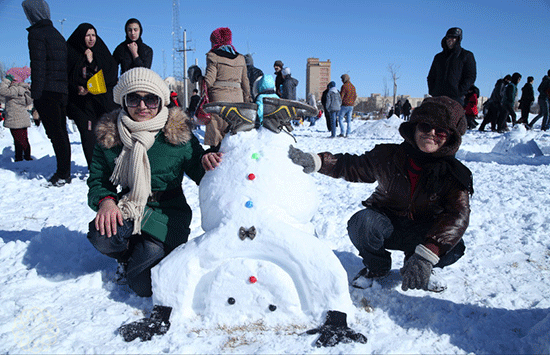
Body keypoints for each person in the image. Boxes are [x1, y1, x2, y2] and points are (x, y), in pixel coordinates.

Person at [289, 96, 473, 292]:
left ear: (451, 137)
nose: (431, 133)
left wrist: (427, 254)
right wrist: (317, 161)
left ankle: (419, 265)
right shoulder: (389, 155)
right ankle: (377, 267)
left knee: (454, 246)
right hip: (388, 224)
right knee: (362, 223)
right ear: (415, 128)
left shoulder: (455, 175)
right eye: (426, 126)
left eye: (441, 130)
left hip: (424, 231)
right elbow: (352, 165)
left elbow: (457, 215)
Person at [86, 67, 219, 297]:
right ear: (123, 101)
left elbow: (200, 170)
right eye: (134, 98)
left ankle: (146, 251)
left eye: (150, 99)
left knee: (143, 286)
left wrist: (209, 159)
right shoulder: (111, 135)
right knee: (102, 235)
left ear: (161, 101)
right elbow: (98, 179)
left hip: (167, 214)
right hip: (128, 207)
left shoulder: (175, 133)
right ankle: (127, 254)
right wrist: (106, 201)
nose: (143, 106)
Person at [22, 0, 71, 186]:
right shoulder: (57, 34)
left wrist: (36, 95)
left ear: (33, 14)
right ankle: (64, 171)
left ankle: (62, 173)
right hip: (61, 92)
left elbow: (38, 66)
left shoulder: (36, 33)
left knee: (55, 134)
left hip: (47, 91)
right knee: (61, 133)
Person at [66, 23, 119, 168]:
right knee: (88, 135)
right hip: (81, 104)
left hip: (101, 102)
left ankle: (110, 165)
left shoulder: (101, 52)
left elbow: (110, 75)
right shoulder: (71, 52)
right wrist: (78, 87)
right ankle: (93, 166)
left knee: (105, 135)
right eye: (87, 35)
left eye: (93, 35)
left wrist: (91, 62)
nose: (91, 39)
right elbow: (68, 76)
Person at [203, 27, 250, 148]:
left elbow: (208, 81)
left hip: (219, 101)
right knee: (234, 138)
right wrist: (247, 100)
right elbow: (245, 82)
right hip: (238, 102)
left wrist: (197, 77)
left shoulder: (213, 56)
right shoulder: (241, 58)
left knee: (217, 140)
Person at [427, 27, 477, 106]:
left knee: (455, 118)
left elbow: (470, 76)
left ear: (458, 39)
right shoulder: (438, 57)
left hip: (456, 99)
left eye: (453, 38)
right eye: (448, 38)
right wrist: (433, 91)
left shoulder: (466, 55)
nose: (450, 40)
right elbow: (431, 76)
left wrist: (459, 92)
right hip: (438, 97)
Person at [0, 67, 33, 161]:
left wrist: (6, 80)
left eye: (10, 76)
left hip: (15, 120)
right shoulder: (22, 88)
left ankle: (26, 158)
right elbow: (28, 101)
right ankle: (20, 158)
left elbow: (2, 90)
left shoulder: (14, 89)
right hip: (21, 118)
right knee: (21, 140)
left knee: (21, 141)